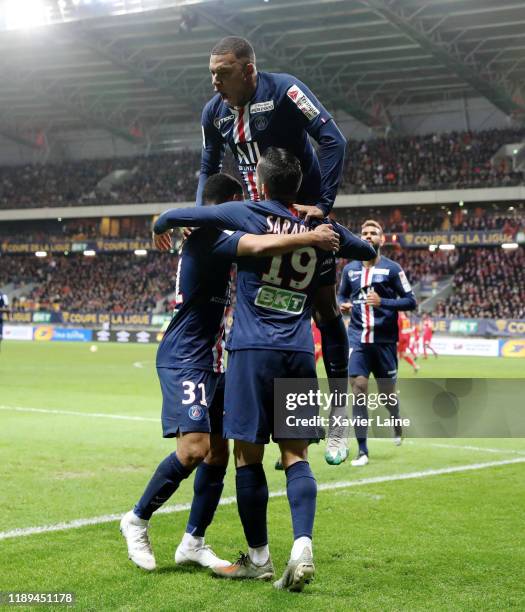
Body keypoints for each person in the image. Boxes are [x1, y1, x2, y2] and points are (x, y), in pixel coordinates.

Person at [154, 148, 375, 591]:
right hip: (297, 352)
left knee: (246, 457)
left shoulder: (248, 212)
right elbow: (366, 249)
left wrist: (162, 223)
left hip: (251, 351)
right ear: (298, 188)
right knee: (296, 456)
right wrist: (319, 218)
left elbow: (185, 214)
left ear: (261, 182)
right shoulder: (318, 226)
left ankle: (260, 558)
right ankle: (303, 546)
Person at [120, 173, 339, 572]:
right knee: (194, 451)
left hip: (220, 359)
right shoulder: (210, 238)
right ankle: (136, 519)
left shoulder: (209, 231)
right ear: (233, 203)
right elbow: (256, 242)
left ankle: (193, 541)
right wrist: (311, 236)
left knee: (219, 454)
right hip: (188, 356)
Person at [199, 36, 350, 464]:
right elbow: (208, 168)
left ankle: (338, 417)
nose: (215, 82)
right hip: (258, 221)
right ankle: (231, 407)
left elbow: (333, 139)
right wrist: (199, 216)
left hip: (302, 219)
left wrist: (323, 207)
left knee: (324, 309)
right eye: (211, 73)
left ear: (248, 70)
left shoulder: (285, 90)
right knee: (241, 306)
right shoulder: (214, 113)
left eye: (223, 73)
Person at [338, 220, 417, 466]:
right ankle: (362, 451)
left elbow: (411, 301)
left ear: (382, 240)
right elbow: (341, 294)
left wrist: (384, 302)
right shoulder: (349, 270)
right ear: (360, 239)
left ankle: (395, 421)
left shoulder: (393, 270)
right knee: (359, 390)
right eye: (365, 233)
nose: (369, 236)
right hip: (358, 340)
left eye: (374, 233)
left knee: (386, 395)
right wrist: (343, 304)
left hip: (384, 342)